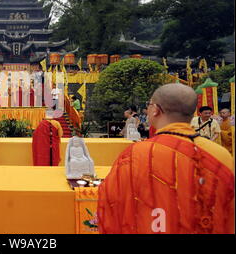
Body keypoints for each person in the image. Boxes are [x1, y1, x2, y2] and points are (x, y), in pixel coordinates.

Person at [98, 83, 234, 234]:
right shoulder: (221, 155)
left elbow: (112, 204)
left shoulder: (137, 154)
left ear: (156, 110)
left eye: (149, 105)